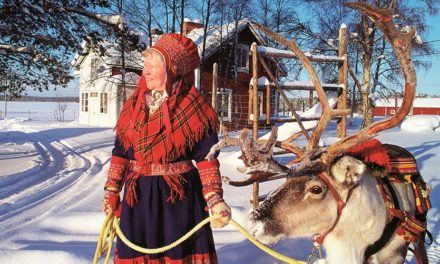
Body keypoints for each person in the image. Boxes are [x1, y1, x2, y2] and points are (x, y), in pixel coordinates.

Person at [102, 33, 231, 264]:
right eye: (145, 65)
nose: (146, 71)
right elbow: (120, 152)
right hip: (137, 198)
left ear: (171, 68)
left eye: (153, 65)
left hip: (178, 200)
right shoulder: (134, 105)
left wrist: (214, 199)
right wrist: (112, 191)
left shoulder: (195, 107)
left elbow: (206, 158)